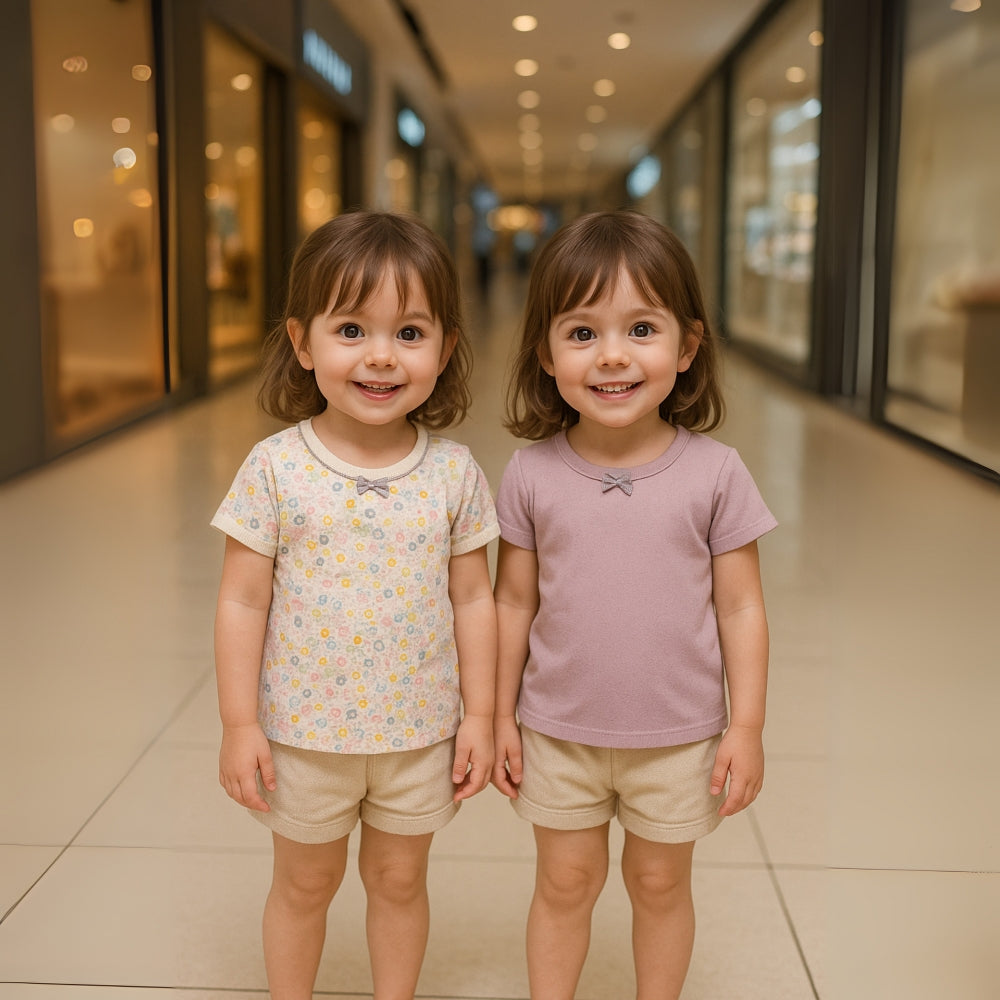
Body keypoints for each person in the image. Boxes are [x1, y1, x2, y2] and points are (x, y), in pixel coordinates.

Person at [212, 210, 499, 1000]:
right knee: (304, 886)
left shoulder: (455, 472)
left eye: (410, 333)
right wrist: (241, 724)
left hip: (418, 731)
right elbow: (242, 601)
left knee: (400, 882)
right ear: (303, 344)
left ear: (445, 347)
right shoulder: (275, 468)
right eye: (351, 329)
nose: (381, 356)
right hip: (304, 734)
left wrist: (480, 714)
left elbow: (476, 599)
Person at [492, 210, 776, 1000]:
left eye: (641, 328)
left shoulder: (717, 474)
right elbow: (511, 603)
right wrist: (495, 715)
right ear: (545, 355)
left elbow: (741, 610)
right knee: (564, 883)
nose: (612, 355)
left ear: (687, 347)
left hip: (680, 737)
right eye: (581, 333)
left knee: (659, 885)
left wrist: (745, 726)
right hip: (557, 730)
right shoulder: (530, 474)